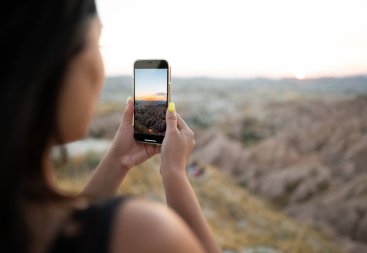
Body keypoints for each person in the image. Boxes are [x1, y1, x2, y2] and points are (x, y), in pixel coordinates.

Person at [0, 1, 221, 253]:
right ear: (49, 62)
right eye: (97, 43)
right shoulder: (141, 231)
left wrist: (119, 160)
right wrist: (173, 171)